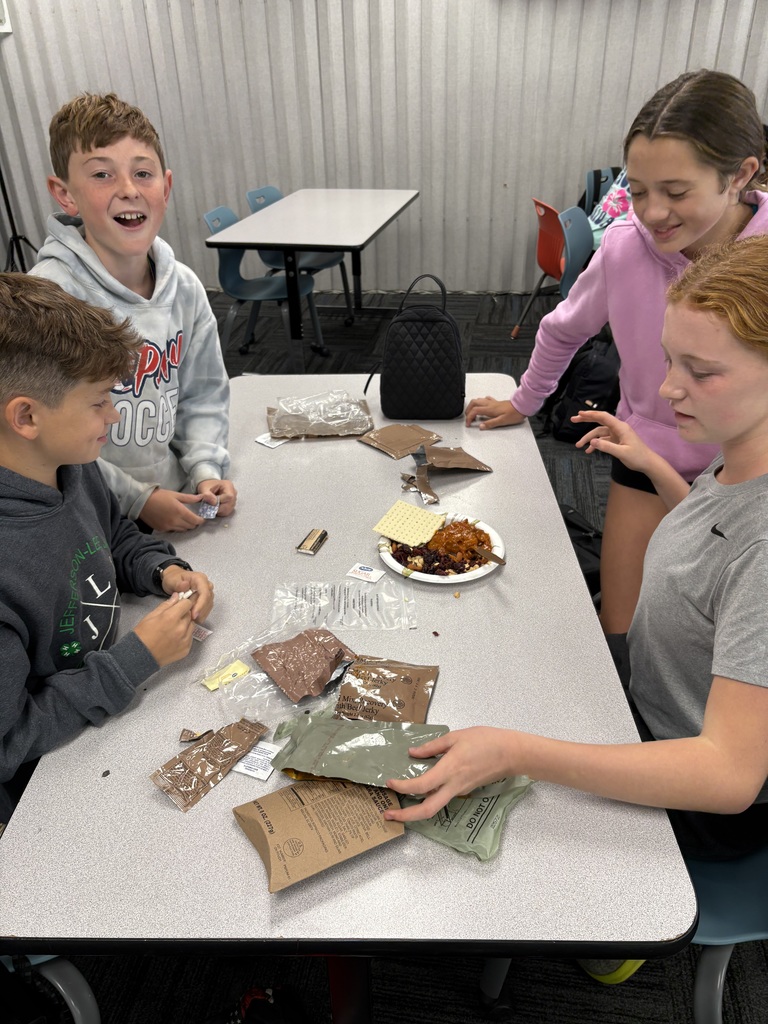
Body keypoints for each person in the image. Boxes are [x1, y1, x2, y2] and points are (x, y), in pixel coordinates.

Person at [388, 232, 768, 848]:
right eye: (671, 360)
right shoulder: (739, 462)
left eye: (702, 372)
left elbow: (728, 775)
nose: (669, 389)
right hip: (646, 693)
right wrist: (655, 467)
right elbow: (715, 534)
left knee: (475, 788)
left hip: (695, 790)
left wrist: (519, 752)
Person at [465, 70, 768, 633]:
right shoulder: (628, 249)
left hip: (752, 479)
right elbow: (562, 329)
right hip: (647, 456)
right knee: (621, 626)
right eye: (638, 190)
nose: (652, 213)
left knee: (720, 636)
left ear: (740, 174)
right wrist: (525, 401)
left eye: (676, 192)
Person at [0, 274, 215, 827]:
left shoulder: (73, 467)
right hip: (46, 794)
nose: (114, 417)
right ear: (26, 417)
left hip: (113, 719)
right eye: (99, 403)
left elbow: (112, 534)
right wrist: (136, 660)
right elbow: (10, 738)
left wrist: (159, 568)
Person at [30, 92, 236, 533]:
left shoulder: (184, 287)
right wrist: (136, 499)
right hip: (89, 520)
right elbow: (48, 444)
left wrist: (207, 470)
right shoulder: (50, 300)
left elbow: (202, 395)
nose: (128, 189)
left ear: (166, 186)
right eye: (102, 174)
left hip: (176, 506)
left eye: (143, 173)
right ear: (65, 194)